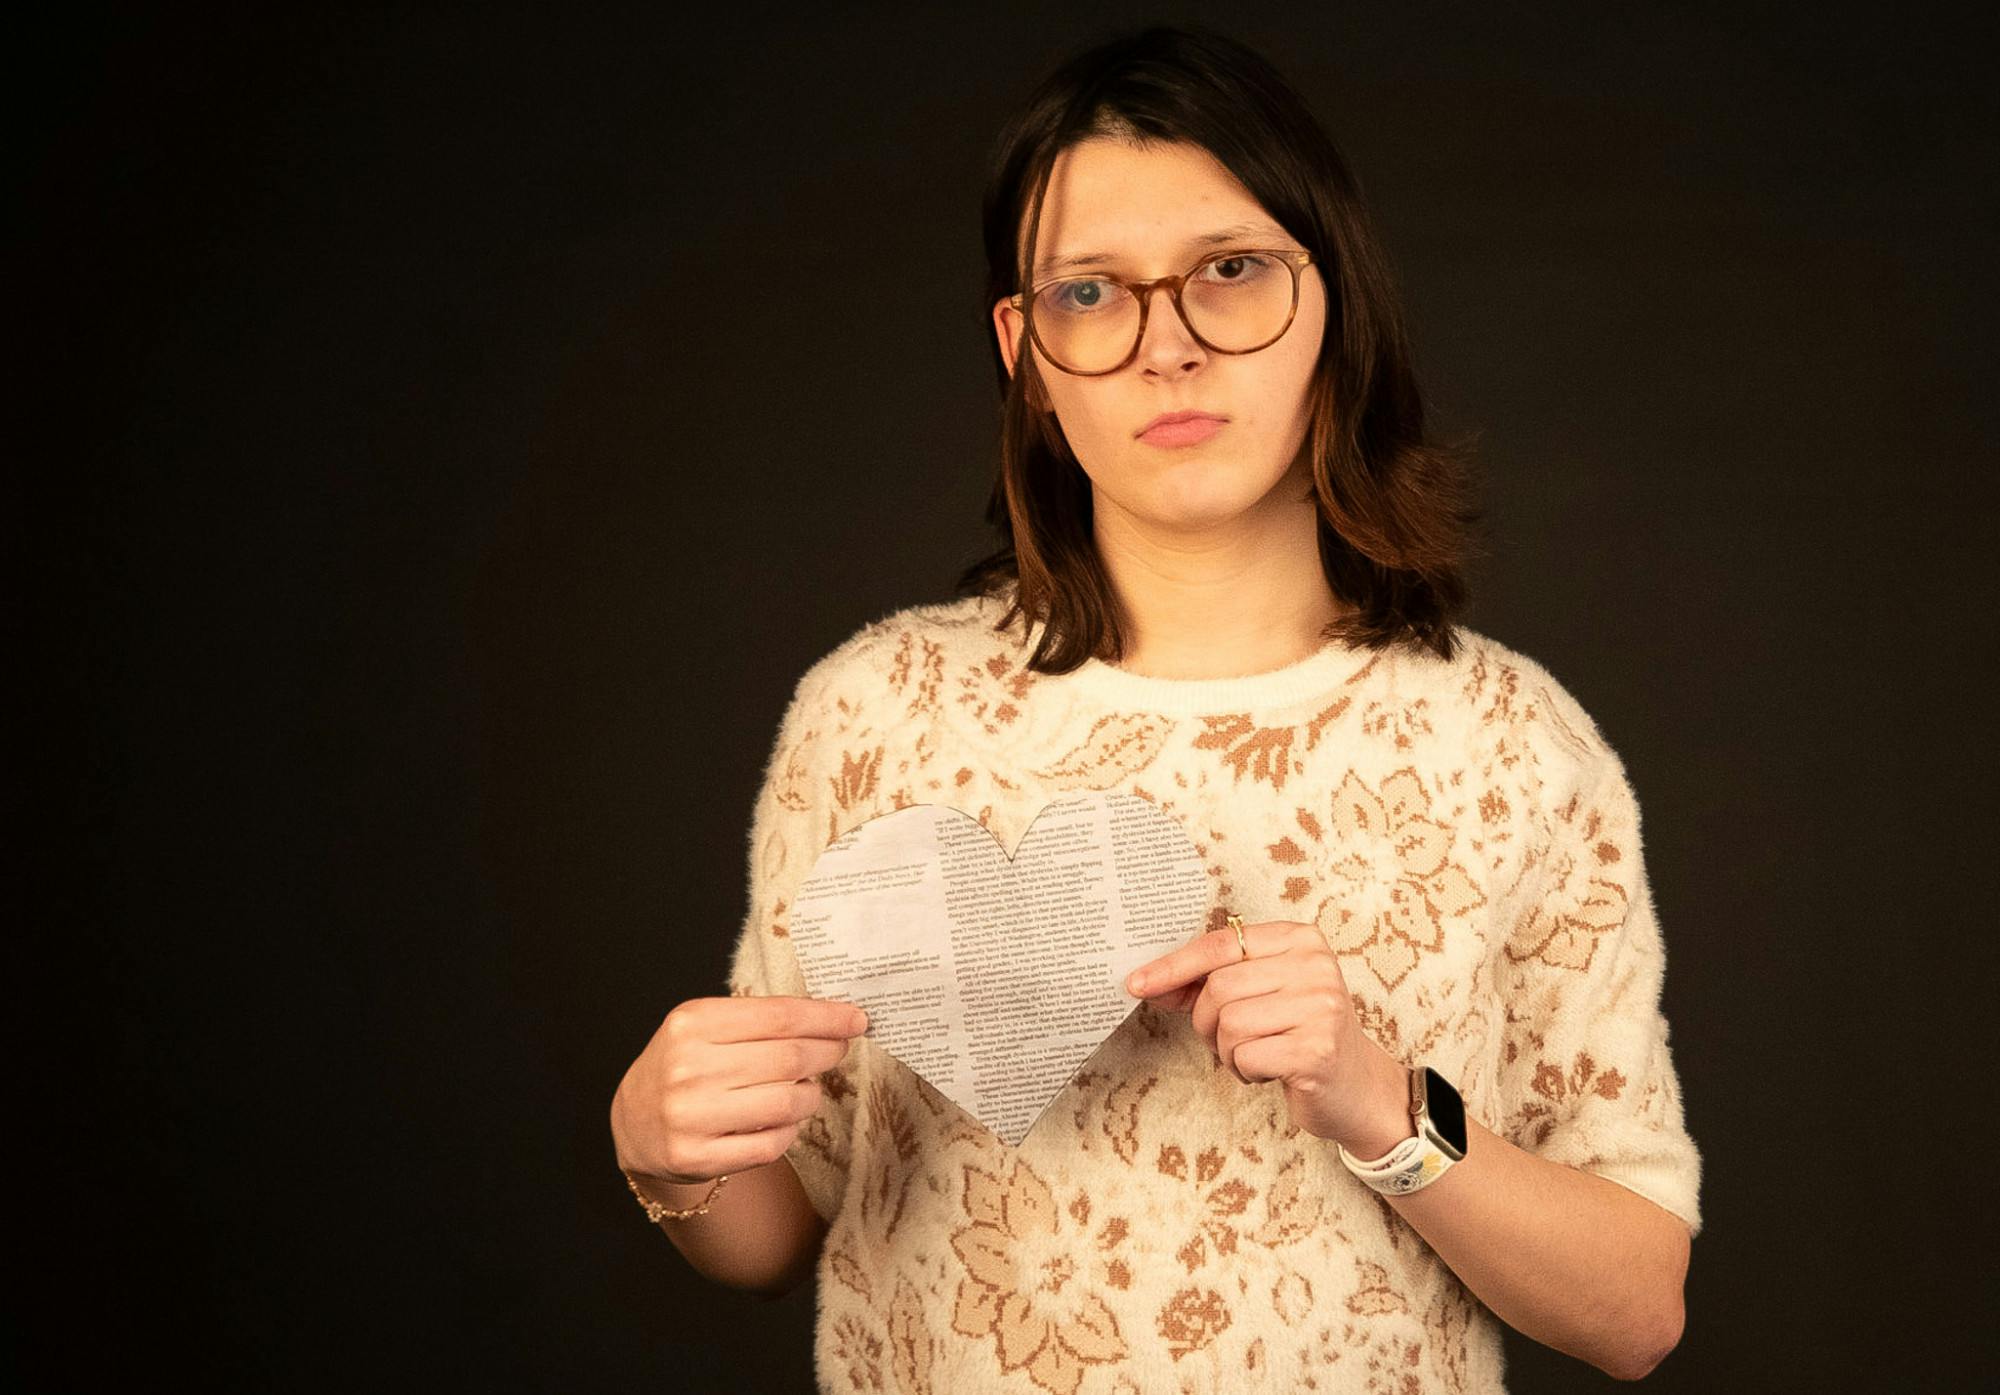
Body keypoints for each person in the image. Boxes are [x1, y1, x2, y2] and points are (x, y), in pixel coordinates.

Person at [610, 22, 1702, 1394]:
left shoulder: (1510, 747)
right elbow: (779, 1225)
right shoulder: (874, 716)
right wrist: (667, 1151)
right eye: (1091, 294)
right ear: (1024, 345)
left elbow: (1637, 1310)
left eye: (1230, 273)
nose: (1167, 348)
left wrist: (1376, 1101)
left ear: (1333, 298)